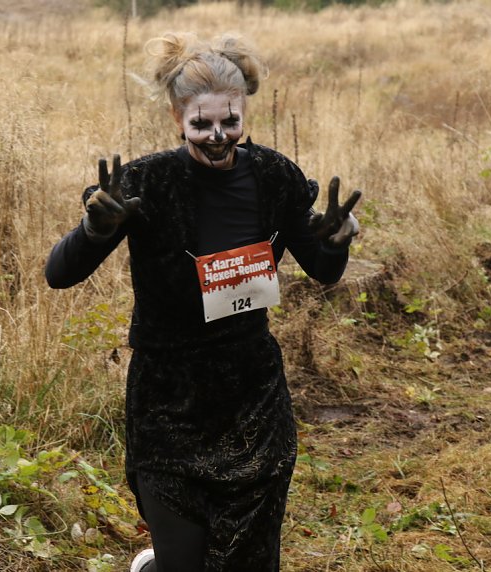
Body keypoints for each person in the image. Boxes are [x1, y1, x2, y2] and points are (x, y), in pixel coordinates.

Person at [45, 32, 361, 572]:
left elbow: (324, 271)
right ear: (177, 117)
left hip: (251, 396)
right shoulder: (145, 183)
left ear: (244, 113)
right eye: (201, 124)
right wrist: (95, 230)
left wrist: (335, 243)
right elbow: (59, 275)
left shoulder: (274, 177)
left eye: (230, 122)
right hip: (168, 398)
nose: (218, 137)